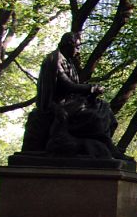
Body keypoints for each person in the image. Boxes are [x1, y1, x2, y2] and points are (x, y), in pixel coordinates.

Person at [20, 31, 122, 159]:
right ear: (68, 45)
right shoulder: (54, 60)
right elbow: (68, 85)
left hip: (71, 102)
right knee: (95, 117)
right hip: (58, 105)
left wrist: (90, 93)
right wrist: (91, 88)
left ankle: (109, 148)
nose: (78, 51)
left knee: (105, 107)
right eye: (77, 47)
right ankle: (104, 148)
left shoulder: (68, 61)